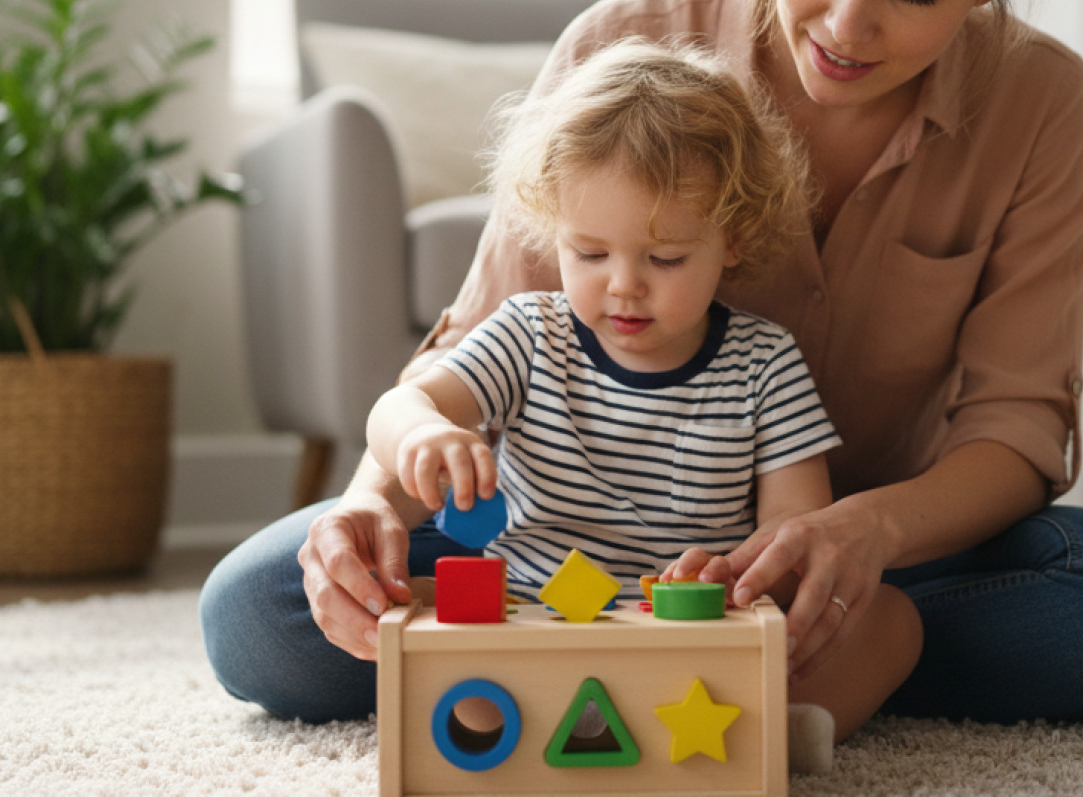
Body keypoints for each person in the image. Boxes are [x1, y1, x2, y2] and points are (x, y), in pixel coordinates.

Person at [202, 0, 1083, 730]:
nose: (845, 22)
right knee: (258, 612)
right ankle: (728, 673)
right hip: (566, 554)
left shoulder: (1039, 102)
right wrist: (374, 504)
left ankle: (768, 655)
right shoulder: (623, 46)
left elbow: (1015, 426)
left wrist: (858, 536)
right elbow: (469, 355)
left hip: (886, 543)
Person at [365, 39, 920, 756]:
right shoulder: (529, 333)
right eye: (589, 253)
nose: (623, 284)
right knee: (414, 619)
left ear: (735, 237)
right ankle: (561, 730)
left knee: (892, 620)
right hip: (533, 632)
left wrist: (735, 571)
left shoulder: (764, 362)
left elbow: (797, 533)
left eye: (664, 258)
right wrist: (421, 434)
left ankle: (782, 732)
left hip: (693, 642)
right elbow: (396, 407)